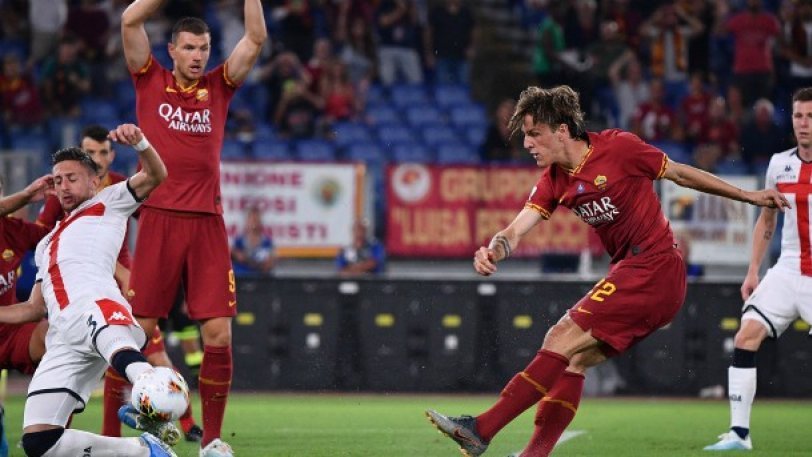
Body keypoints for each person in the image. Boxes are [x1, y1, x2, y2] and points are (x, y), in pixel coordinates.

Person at [425, 85, 788, 457]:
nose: (527, 143)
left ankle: (482, 429)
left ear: (562, 130)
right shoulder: (555, 179)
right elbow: (516, 230)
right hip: (636, 273)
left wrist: (749, 196)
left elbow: (679, 174)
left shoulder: (619, 148)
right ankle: (534, 454)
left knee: (560, 337)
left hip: (655, 267)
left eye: (534, 133)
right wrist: (495, 250)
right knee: (573, 359)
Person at [119, 2, 266, 456]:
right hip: (159, 218)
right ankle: (118, 431)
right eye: (189, 48)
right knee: (135, 333)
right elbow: (129, 20)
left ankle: (212, 441)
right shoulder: (149, 78)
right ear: (172, 50)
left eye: (203, 48)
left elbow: (255, 39)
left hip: (207, 223)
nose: (198, 55)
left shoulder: (219, 87)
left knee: (218, 334)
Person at [0, 124, 176, 457]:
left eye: (72, 177)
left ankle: (158, 391)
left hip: (97, 307)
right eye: (57, 180)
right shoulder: (46, 244)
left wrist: (140, 142)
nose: (63, 186)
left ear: (95, 181)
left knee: (119, 346)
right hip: (63, 338)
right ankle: (144, 450)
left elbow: (156, 175)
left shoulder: (109, 202)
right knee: (39, 442)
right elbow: (33, 309)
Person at [703, 88, 812, 451]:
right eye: (798, 116)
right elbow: (767, 220)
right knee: (745, 337)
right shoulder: (779, 165)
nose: (804, 123)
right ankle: (739, 434)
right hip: (788, 268)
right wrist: (753, 271)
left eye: (811, 117)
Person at [0, 175, 54, 457]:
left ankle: (49, 432)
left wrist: (59, 195)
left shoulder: (12, 231)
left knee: (53, 336)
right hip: (10, 319)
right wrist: (26, 195)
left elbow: (54, 238)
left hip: (9, 333)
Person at [230, 206, 276, 276]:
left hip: (261, 279)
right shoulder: (238, 242)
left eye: (256, 219)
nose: (254, 223)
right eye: (252, 219)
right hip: (241, 279)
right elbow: (231, 259)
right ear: (247, 221)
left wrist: (246, 259)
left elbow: (268, 266)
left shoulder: (267, 243)